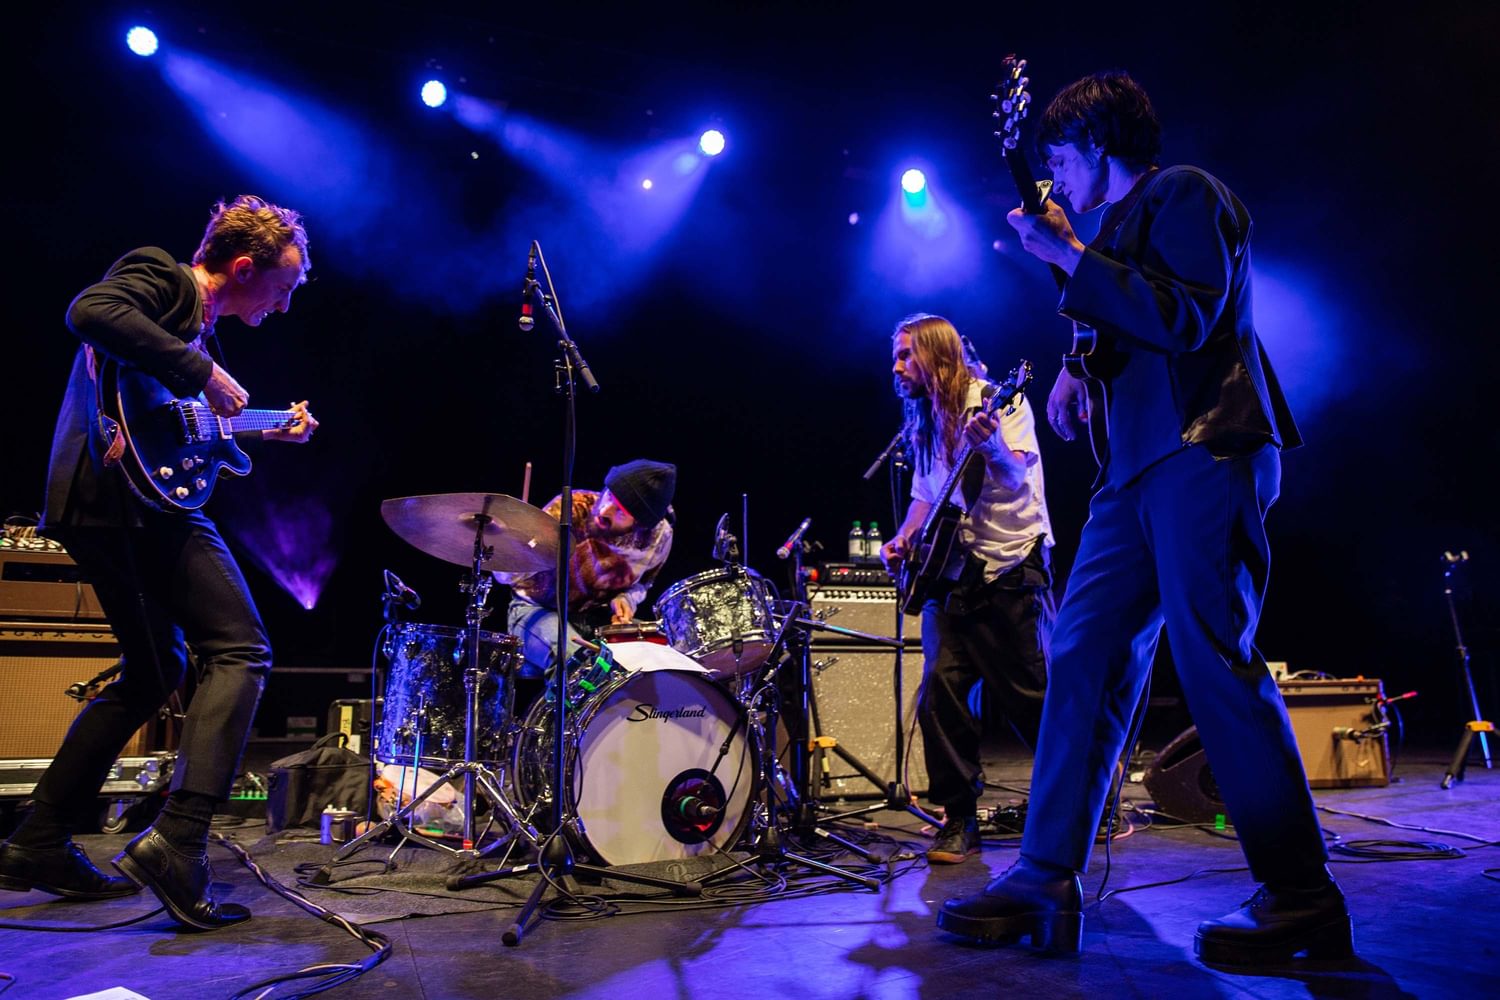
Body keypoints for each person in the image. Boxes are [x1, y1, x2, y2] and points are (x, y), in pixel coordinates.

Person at [936, 71, 1349, 965]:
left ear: (1095, 140)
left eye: (1058, 157)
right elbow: (1132, 322)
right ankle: (1047, 875)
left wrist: (1067, 258)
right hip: (1130, 478)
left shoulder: (1185, 193)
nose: (1052, 176)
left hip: (1205, 452)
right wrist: (1083, 372)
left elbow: (1191, 315)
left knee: (1214, 660)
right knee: (1082, 651)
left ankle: (1301, 895)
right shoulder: (1111, 236)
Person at [0, 195, 317, 930]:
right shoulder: (165, 281)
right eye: (283, 287)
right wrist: (200, 372)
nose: (285, 304)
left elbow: (180, 429)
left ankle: (39, 839)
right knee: (241, 646)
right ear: (243, 267)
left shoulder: (200, 333)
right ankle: (180, 840)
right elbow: (88, 311)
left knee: (154, 673)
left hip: (112, 502)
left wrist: (271, 428)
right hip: (124, 501)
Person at [879, 314, 1054, 865]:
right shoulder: (926, 418)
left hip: (1009, 564)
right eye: (897, 355)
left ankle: (1082, 793)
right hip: (953, 574)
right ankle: (959, 818)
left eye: (907, 355)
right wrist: (903, 539)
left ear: (937, 355)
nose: (897, 366)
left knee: (1030, 697)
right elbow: (926, 497)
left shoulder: (1001, 402)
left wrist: (992, 447)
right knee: (941, 691)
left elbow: (1015, 476)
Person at [501, 460, 676, 678]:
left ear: (640, 524)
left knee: (665, 654)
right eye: (610, 495)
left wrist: (625, 599)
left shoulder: (659, 536)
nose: (604, 509)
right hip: (535, 609)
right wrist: (513, 550)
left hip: (596, 617)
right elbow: (504, 576)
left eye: (621, 511)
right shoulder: (569, 509)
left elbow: (642, 584)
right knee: (579, 664)